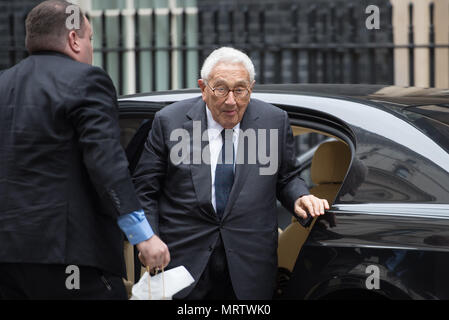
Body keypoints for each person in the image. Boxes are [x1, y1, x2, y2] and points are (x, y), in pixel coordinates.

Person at [0, 0, 169, 299]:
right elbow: (106, 162)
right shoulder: (86, 80)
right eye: (90, 39)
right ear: (73, 39)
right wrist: (143, 236)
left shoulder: (3, 83)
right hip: (69, 258)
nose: (91, 48)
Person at [132, 46, 329, 300]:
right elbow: (144, 189)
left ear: (251, 87)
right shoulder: (169, 121)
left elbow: (287, 177)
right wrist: (148, 238)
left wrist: (300, 197)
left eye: (240, 89)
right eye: (221, 89)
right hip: (183, 266)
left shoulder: (273, 121)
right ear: (203, 88)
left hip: (249, 268)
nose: (231, 101)